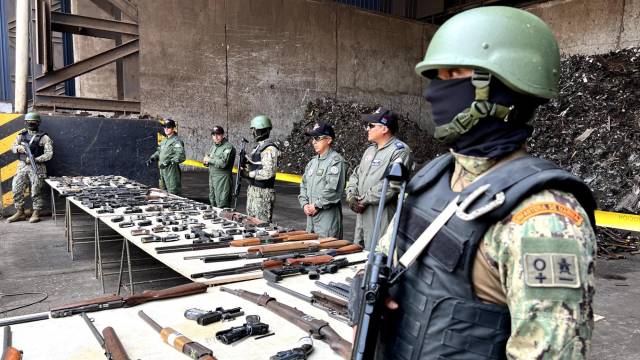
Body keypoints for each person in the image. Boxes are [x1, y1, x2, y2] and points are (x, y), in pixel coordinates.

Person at [366, 7, 597, 359]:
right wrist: (364, 286)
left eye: (453, 74)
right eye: (436, 76)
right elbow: (386, 255)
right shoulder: (435, 176)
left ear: (504, 86)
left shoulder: (543, 220)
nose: (433, 92)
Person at [345, 107, 413, 249]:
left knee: (377, 257)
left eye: (371, 125)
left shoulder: (400, 151)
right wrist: (351, 195)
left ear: (384, 128)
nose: (367, 129)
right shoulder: (369, 150)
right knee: (359, 252)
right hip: (362, 214)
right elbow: (356, 174)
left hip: (381, 214)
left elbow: (390, 185)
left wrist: (363, 199)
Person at [298, 122, 347, 238]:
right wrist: (304, 204)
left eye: (317, 138)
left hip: (327, 220)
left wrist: (317, 205)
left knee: (328, 252)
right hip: (311, 220)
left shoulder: (336, 162)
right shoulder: (312, 163)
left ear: (329, 140)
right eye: (312, 139)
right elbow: (303, 185)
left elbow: (333, 190)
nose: (313, 142)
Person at [7, 112, 53, 223]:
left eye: (34, 122)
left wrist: (36, 159)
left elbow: (49, 154)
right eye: (29, 122)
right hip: (22, 166)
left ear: (38, 123)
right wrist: (19, 148)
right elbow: (12, 147)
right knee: (16, 188)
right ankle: (20, 212)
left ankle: (36, 212)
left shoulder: (44, 137)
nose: (31, 124)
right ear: (25, 122)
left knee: (36, 190)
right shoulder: (21, 135)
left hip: (37, 167)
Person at [242, 115, 279, 223]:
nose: (253, 133)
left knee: (262, 225)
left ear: (263, 130)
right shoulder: (258, 148)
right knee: (251, 223)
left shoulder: (270, 148)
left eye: (255, 130)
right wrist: (246, 166)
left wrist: (249, 174)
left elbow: (268, 172)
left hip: (263, 194)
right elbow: (256, 165)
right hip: (254, 191)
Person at [146, 119, 186, 195]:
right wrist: (152, 157)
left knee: (173, 193)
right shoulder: (164, 141)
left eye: (168, 127)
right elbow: (159, 151)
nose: (166, 129)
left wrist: (169, 162)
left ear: (173, 128)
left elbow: (181, 156)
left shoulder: (176, 141)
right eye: (165, 127)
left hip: (171, 171)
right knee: (163, 192)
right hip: (162, 170)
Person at [203, 125, 236, 208]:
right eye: (214, 135)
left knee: (222, 204)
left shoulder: (228, 147)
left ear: (223, 135)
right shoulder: (214, 146)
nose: (216, 137)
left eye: (218, 134)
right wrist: (206, 162)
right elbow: (211, 160)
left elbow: (223, 163)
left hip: (223, 180)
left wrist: (209, 160)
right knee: (213, 202)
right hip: (213, 178)